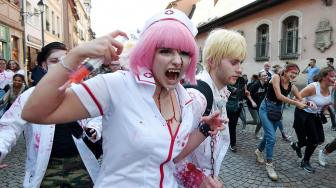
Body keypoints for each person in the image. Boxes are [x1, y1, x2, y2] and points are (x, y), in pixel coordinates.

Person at [21, 9, 224, 188]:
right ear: (148, 53)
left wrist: (204, 130)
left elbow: (172, 156)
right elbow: (35, 112)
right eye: (165, 51)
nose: (178, 60)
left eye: (185, 53)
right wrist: (75, 55)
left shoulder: (184, 100)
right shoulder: (117, 86)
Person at [0, 42, 102, 188]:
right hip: (45, 170)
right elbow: (9, 126)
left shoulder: (82, 92)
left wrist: (94, 128)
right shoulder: (30, 96)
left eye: (66, 60)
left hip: (81, 165)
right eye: (54, 61)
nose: (61, 65)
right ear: (43, 65)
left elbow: (98, 117)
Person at [186, 28, 246, 175]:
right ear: (212, 61)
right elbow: (172, 154)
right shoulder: (196, 97)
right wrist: (196, 180)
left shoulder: (221, 91)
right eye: (234, 62)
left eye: (240, 62)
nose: (240, 69)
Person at [254, 63, 307, 181]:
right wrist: (296, 103)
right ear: (286, 71)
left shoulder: (291, 86)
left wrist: (307, 103)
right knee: (272, 137)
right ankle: (269, 165)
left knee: (269, 134)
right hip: (265, 108)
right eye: (292, 72)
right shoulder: (276, 77)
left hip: (277, 111)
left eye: (296, 74)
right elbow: (279, 96)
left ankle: (258, 151)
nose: (294, 75)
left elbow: (300, 97)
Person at [291, 67, 335, 173]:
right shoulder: (313, 87)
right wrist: (307, 103)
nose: (334, 78)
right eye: (332, 76)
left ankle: (297, 144)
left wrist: (324, 111)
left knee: (320, 139)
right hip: (303, 113)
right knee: (314, 140)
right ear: (324, 77)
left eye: (335, 76)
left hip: (315, 115)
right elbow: (295, 99)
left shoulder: (332, 88)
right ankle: (305, 162)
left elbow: (327, 102)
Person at [226, 74, 256, 152]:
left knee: (233, 125)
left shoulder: (241, 80)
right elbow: (232, 90)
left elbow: (245, 91)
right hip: (230, 107)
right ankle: (232, 144)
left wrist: (251, 100)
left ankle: (230, 140)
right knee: (231, 126)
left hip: (239, 106)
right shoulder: (227, 80)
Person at [247, 70, 268, 139]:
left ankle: (255, 135)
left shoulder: (266, 84)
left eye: (266, 75)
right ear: (259, 78)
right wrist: (252, 102)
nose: (266, 77)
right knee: (256, 121)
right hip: (251, 105)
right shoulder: (255, 85)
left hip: (260, 105)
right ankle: (245, 122)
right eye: (263, 75)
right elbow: (247, 93)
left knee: (261, 121)